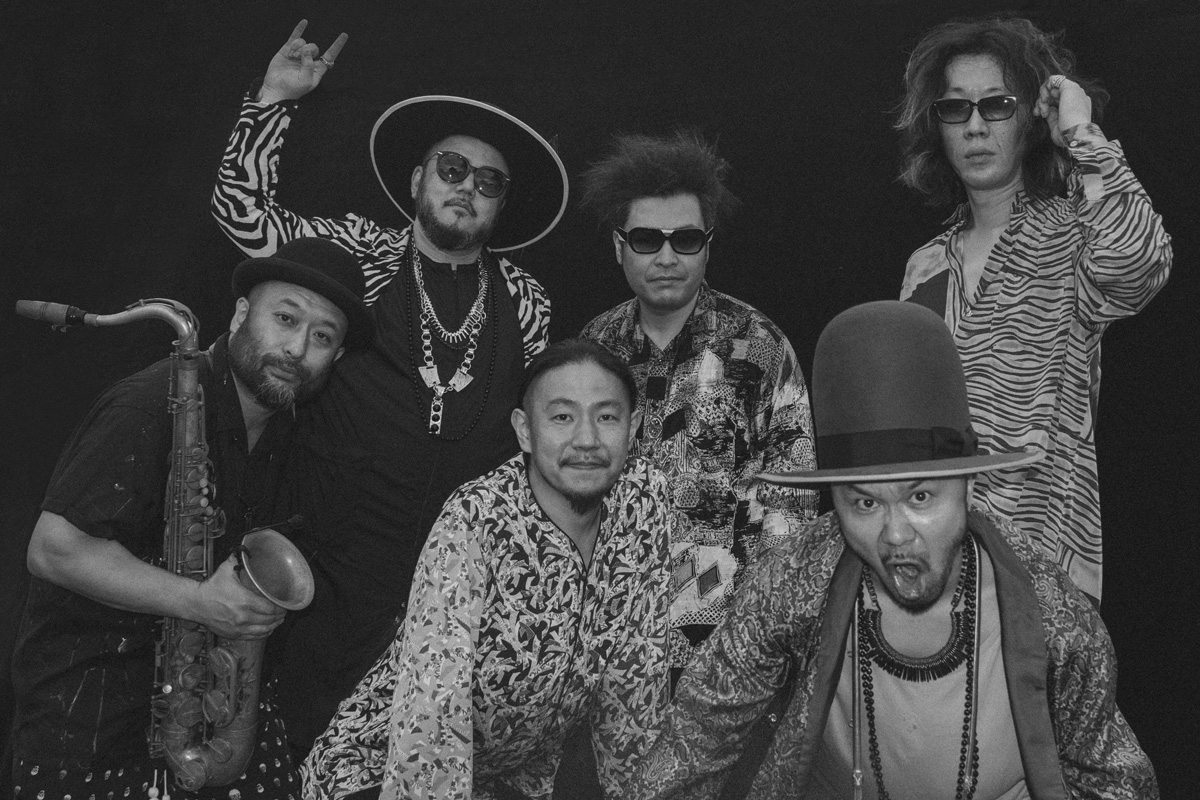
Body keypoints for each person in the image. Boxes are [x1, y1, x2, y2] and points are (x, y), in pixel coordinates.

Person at [210, 20, 569, 757]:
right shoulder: (361, 253)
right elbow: (241, 213)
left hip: (453, 590)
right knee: (304, 755)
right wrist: (274, 100)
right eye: (452, 168)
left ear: (500, 205)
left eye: (489, 182)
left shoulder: (527, 298)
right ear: (417, 180)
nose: (467, 187)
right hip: (331, 571)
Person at [631, 300, 1156, 799]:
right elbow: (694, 742)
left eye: (920, 497)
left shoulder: (1049, 609)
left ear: (969, 485)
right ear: (835, 502)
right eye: (864, 504)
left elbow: (1115, 776)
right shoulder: (791, 582)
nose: (896, 534)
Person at [10, 238, 374, 800]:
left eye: (322, 337)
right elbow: (54, 549)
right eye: (285, 318)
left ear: (338, 357)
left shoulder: (290, 431)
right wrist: (200, 602)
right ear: (241, 313)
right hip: (91, 726)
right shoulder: (148, 404)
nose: (297, 348)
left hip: (206, 714)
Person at [303, 339, 672, 800]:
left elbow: (636, 679)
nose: (586, 440)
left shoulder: (644, 501)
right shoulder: (475, 521)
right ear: (524, 430)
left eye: (607, 417)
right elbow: (432, 710)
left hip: (505, 780)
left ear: (633, 427)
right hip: (386, 770)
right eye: (562, 416)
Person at [895, 16, 1172, 604]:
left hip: (1043, 575)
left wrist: (1078, 129)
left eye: (997, 105)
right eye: (955, 109)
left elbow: (1138, 263)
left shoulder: (1072, 236)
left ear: (1029, 119)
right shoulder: (926, 265)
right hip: (932, 573)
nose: (975, 126)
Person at [579, 132, 818, 673]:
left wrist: (761, 636)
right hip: (609, 649)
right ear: (619, 246)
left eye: (685, 240)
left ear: (708, 244)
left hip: (728, 651)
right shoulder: (594, 350)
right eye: (646, 240)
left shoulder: (758, 346)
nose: (666, 257)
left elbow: (793, 501)